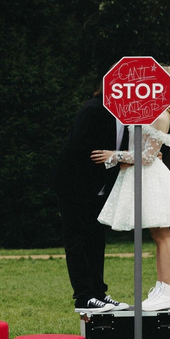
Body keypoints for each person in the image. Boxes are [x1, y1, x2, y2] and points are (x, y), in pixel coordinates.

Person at [92, 65, 170, 311]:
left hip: (149, 178)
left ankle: (168, 289)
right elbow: (146, 151)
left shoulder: (161, 115)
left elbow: (147, 157)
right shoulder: (148, 111)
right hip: (142, 175)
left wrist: (114, 155)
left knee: (162, 234)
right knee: (157, 234)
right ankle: (161, 287)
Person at [52, 82, 130, 313]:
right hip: (74, 185)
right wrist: (116, 158)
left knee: (96, 240)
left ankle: (99, 293)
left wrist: (120, 157)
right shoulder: (94, 109)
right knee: (77, 241)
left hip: (99, 187)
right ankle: (84, 296)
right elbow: (82, 149)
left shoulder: (128, 117)